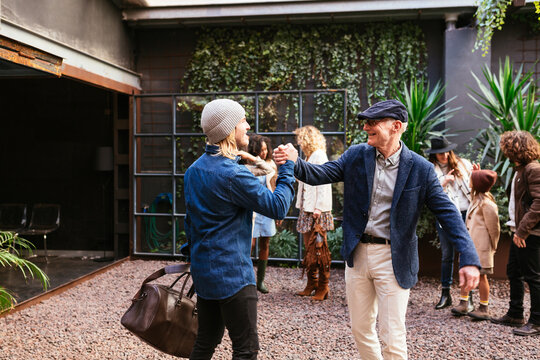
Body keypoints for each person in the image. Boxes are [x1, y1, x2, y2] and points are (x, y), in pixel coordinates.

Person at [273, 99, 480, 360]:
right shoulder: (356, 155)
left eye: (373, 122)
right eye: (366, 122)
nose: (366, 127)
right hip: (358, 255)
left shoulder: (421, 169)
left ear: (396, 126)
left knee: (392, 334)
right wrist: (293, 162)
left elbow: (449, 214)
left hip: (394, 258)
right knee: (361, 330)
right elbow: (320, 174)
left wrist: (469, 258)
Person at [184, 98, 296, 359]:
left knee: (204, 343)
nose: (247, 126)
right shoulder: (233, 174)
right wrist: (288, 167)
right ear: (229, 129)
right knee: (245, 350)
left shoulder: (193, 170)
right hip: (233, 276)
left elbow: (190, 223)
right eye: (242, 120)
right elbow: (278, 207)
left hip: (205, 274)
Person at [491, 130, 540, 336]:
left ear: (516, 149)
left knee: (534, 277)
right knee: (514, 271)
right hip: (518, 230)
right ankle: (515, 313)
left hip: (530, 234)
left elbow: (539, 203)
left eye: (507, 147)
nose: (505, 151)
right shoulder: (521, 169)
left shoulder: (533, 169)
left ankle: (537, 321)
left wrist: (522, 231)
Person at [427, 136, 474, 310]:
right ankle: (445, 294)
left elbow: (475, 188)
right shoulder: (431, 170)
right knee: (447, 255)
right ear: (434, 155)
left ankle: (467, 296)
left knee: (466, 253)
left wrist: (476, 176)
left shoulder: (464, 164)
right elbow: (428, 193)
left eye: (447, 151)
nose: (444, 155)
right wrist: (444, 181)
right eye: (440, 153)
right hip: (446, 216)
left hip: (466, 214)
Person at [451, 169, 499, 319]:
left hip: (482, 248)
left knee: (483, 276)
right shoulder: (475, 199)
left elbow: (494, 229)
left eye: (471, 180)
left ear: (477, 184)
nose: (469, 182)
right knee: (465, 274)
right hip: (471, 247)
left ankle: (484, 307)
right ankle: (464, 302)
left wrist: (493, 247)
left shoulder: (487, 204)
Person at [293, 125, 334, 301]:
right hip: (306, 209)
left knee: (319, 249)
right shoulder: (308, 156)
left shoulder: (319, 155)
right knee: (309, 249)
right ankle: (312, 284)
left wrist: (318, 207)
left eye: (301, 140)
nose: (299, 143)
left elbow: (324, 182)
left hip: (316, 210)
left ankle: (323, 286)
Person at [248, 134, 278, 294]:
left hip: (266, 209)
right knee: (250, 244)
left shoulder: (271, 164)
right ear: (254, 150)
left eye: (266, 149)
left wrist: (277, 210)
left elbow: (274, 187)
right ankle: (247, 280)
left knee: (265, 244)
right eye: (261, 150)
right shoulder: (249, 164)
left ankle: (260, 281)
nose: (264, 153)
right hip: (253, 210)